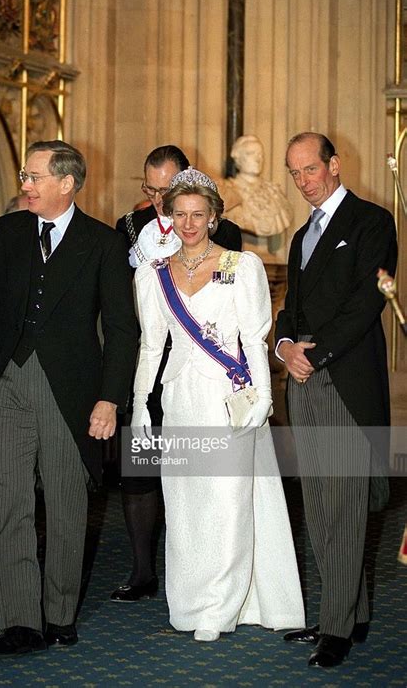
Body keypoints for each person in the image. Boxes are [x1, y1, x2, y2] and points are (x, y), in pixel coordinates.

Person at [0, 140, 138, 656]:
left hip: (70, 394)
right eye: (24, 175)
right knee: (11, 504)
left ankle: (59, 615)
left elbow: (122, 331)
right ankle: (19, 622)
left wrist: (108, 400)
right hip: (4, 387)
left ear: (66, 183)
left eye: (34, 177)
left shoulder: (102, 244)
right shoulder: (5, 232)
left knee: (65, 504)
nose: (25, 185)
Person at [130, 167, 305, 641]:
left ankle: (221, 607)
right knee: (186, 504)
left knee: (229, 501)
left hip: (230, 400)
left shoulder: (238, 265)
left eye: (198, 215)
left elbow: (252, 337)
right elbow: (150, 345)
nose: (188, 224)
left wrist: (264, 401)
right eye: (180, 214)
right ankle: (189, 602)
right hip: (181, 399)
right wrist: (141, 407)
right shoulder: (153, 276)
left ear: (212, 218)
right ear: (168, 214)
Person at [275, 132, 398, 668]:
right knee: (321, 506)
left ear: (334, 164)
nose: (303, 181)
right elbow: (290, 312)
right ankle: (348, 612)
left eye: (310, 169)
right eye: (294, 172)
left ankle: (338, 628)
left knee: (345, 506)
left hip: (344, 383)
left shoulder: (372, 222)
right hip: (301, 384)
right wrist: (283, 346)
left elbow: (366, 303)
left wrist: (313, 354)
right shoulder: (301, 235)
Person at [111, 146, 242, 602]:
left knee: (198, 475)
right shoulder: (128, 228)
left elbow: (227, 307)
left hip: (201, 371)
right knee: (141, 471)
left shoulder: (228, 235)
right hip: (147, 362)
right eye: (151, 190)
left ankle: (207, 574)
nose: (160, 201)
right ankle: (143, 570)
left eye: (167, 190)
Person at [220, 134, 293, 237]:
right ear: (238, 158)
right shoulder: (227, 192)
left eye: (260, 154)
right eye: (250, 154)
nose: (258, 159)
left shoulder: (274, 192)